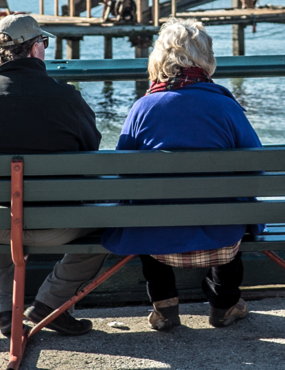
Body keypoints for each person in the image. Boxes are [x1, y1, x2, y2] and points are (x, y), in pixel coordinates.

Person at [101, 18, 261, 332]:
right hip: (222, 238)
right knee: (231, 207)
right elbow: (256, 166)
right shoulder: (226, 107)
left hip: (156, 240)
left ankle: (164, 304)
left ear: (159, 58)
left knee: (145, 212)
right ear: (206, 59)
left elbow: (122, 170)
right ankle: (225, 303)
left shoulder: (144, 107)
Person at [0, 13, 104, 338]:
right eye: (44, 42)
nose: (45, 48)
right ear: (35, 49)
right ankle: (50, 305)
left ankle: (6, 310)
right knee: (112, 224)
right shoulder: (66, 97)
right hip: (58, 226)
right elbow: (91, 149)